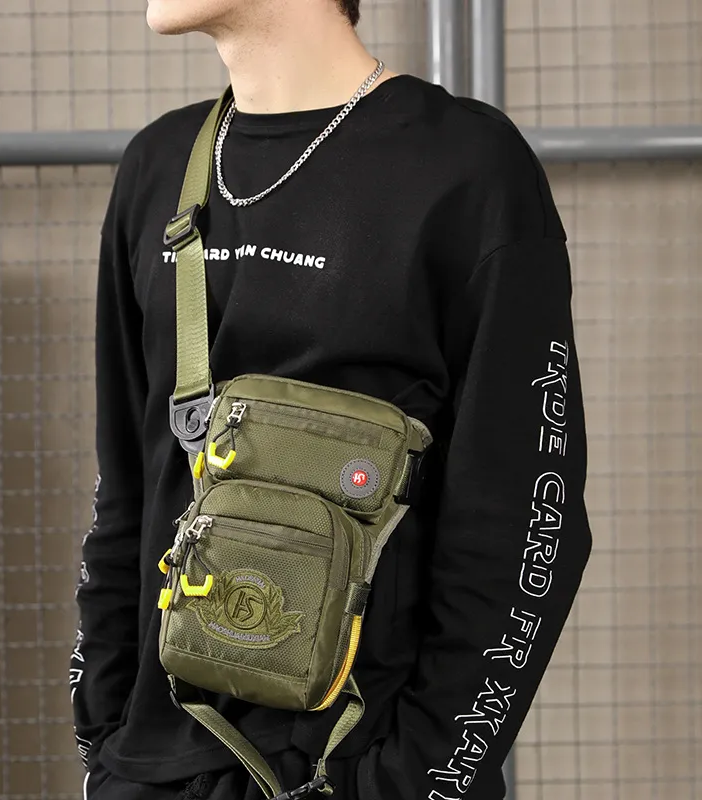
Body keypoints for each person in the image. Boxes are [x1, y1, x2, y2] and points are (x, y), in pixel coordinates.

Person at [69, 0, 593, 798]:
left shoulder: (466, 169)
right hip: (151, 765)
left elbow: (526, 522)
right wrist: (105, 742)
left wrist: (417, 777)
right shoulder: (159, 165)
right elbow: (124, 485)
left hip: (355, 766)